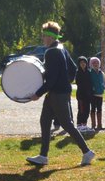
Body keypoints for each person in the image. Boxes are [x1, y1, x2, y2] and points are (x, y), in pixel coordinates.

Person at [25, 22, 96, 167]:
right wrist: (66, 82)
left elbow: (51, 79)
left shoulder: (51, 52)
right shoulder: (61, 48)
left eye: (44, 36)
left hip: (57, 93)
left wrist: (38, 94)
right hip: (58, 92)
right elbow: (73, 68)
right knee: (45, 121)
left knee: (67, 124)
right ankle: (43, 156)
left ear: (50, 38)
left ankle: (87, 152)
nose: (42, 39)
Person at [87, 57, 105, 131]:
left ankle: (100, 125)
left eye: (97, 63)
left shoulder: (101, 73)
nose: (96, 64)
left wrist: (103, 88)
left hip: (100, 94)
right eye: (94, 63)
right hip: (93, 94)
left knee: (99, 109)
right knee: (93, 109)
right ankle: (93, 125)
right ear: (91, 64)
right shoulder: (89, 73)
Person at [74, 53, 92, 130]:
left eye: (84, 62)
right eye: (81, 63)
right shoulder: (78, 72)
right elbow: (78, 83)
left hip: (88, 94)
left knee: (87, 110)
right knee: (81, 110)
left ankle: (84, 124)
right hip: (81, 95)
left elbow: (90, 82)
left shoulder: (88, 72)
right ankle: (79, 125)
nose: (83, 64)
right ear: (79, 64)